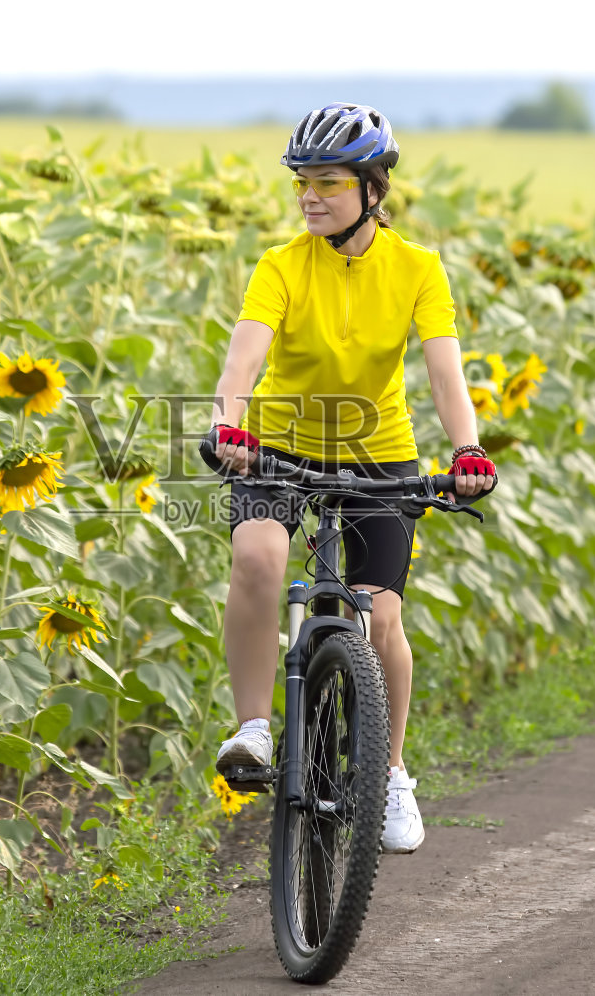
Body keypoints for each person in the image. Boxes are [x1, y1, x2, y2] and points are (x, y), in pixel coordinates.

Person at [206, 102, 498, 853]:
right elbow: (244, 359)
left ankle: (391, 772)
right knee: (258, 557)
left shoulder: (417, 268)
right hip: (277, 448)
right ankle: (254, 728)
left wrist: (466, 450)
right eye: (302, 182)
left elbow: (444, 375)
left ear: (373, 189)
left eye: (327, 182)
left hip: (378, 451)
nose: (309, 196)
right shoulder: (281, 265)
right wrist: (227, 425)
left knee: (381, 615)